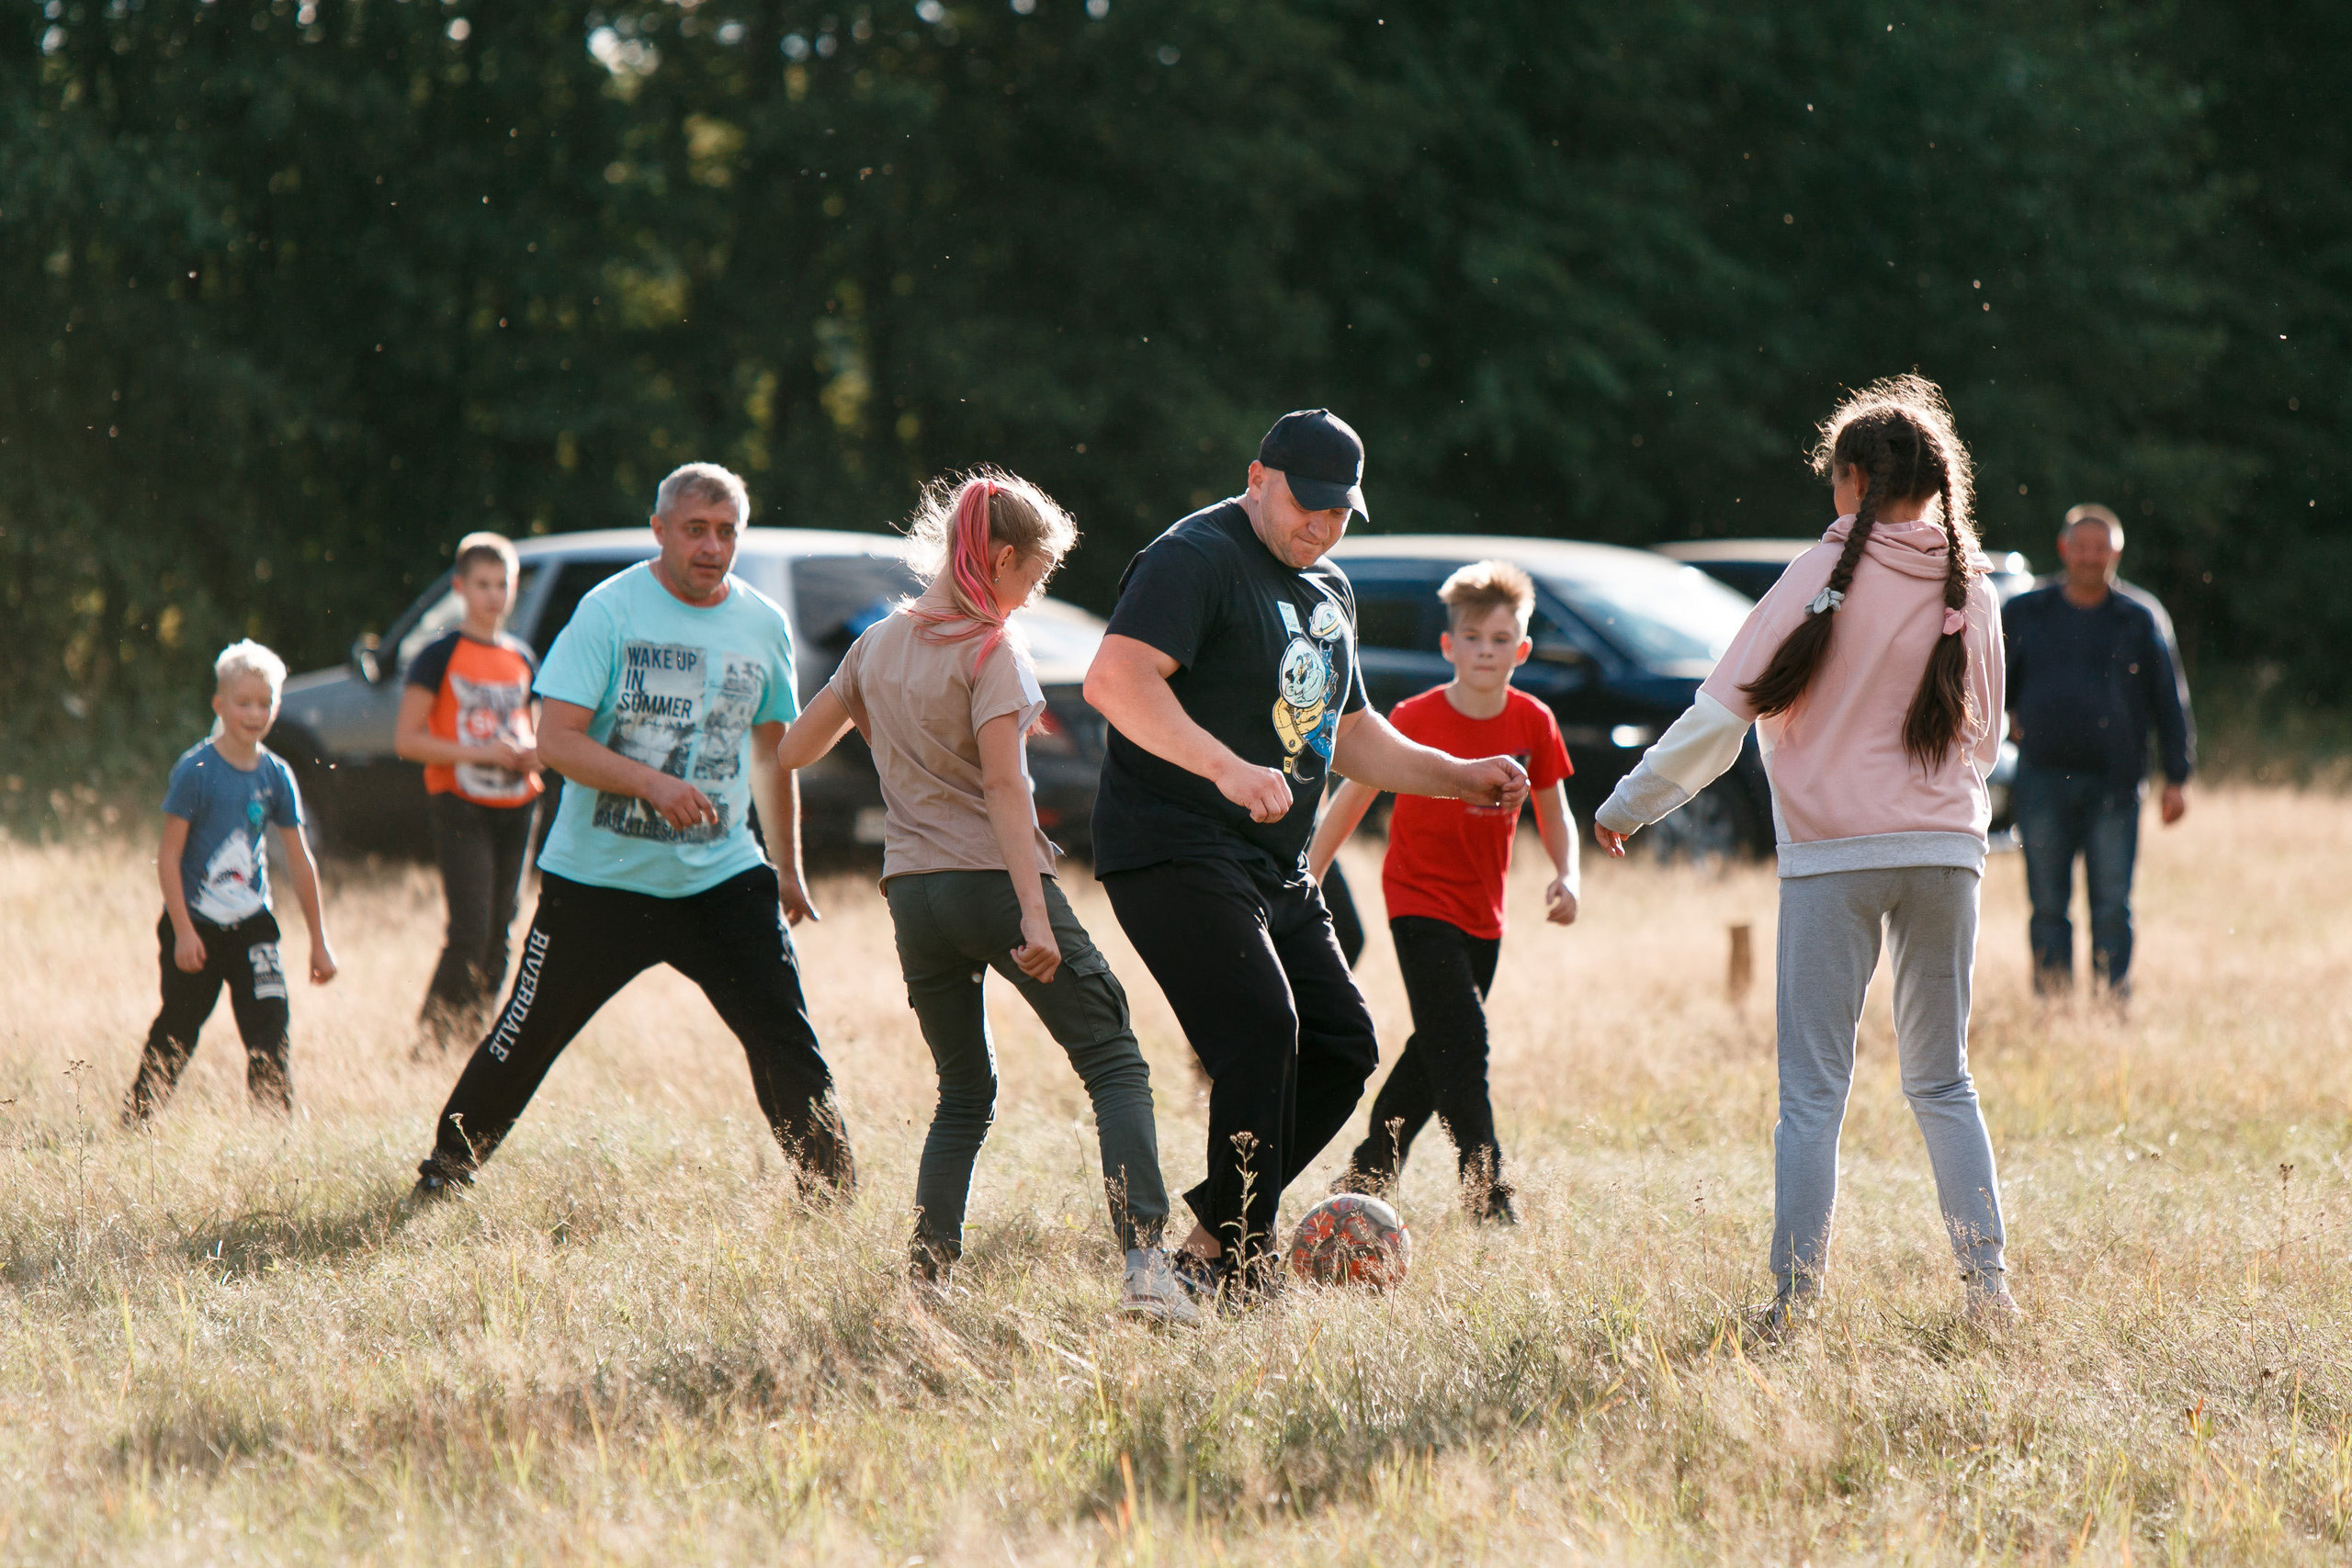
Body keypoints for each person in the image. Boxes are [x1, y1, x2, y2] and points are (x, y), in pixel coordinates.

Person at [1592, 375, 2018, 1333]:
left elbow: (1718, 717)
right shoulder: (1971, 586)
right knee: (1941, 1076)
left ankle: (1793, 1304)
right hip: (1949, 851)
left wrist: (1629, 805)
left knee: (1813, 1092)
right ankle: (1989, 1288)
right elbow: (1984, 740)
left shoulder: (1815, 575)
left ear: (1853, 479)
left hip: (1835, 857)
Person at [1083, 409, 1530, 1300]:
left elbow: (1352, 734)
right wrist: (1226, 767)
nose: (1320, 526)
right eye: (1305, 505)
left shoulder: (1328, 588)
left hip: (1274, 868)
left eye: (1338, 513)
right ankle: (1245, 1276)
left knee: (1342, 1047)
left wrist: (1460, 775)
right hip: (1174, 847)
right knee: (1261, 1030)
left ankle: (1205, 1248)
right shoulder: (1193, 557)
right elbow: (1114, 679)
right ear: (1257, 478)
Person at [777, 469, 1195, 1322]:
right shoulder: (990, 649)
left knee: (963, 1092)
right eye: (1033, 577)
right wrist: (1035, 912)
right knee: (1114, 1060)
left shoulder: (876, 644)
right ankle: (1149, 1268)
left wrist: (878, 709)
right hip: (994, 888)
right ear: (1000, 556)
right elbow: (1009, 791)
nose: (1033, 596)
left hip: (913, 898)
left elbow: (792, 749)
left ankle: (927, 1280)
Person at [412, 462, 854, 1201]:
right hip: (598, 879)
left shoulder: (761, 623)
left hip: (721, 875)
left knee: (786, 1038)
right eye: (695, 530)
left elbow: (772, 750)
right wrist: (650, 782)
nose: (711, 546)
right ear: (660, 530)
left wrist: (786, 866)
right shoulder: (608, 612)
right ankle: (447, 1170)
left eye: (726, 532)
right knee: (525, 1034)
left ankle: (831, 1193)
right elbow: (555, 738)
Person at [1306, 559, 1579, 1224]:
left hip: (1484, 915)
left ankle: (1366, 1174)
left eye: (1500, 638)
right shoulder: (1412, 716)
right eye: (1473, 636)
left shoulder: (1534, 721)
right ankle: (1488, 1193)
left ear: (1522, 649)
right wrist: (1308, 874)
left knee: (1435, 1049)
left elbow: (1554, 809)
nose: (1486, 650)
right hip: (1416, 899)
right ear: (1448, 645)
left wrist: (1567, 871)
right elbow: (1351, 798)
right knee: (1464, 1039)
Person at [123, 640, 338, 1122]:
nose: (255, 712)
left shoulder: (277, 775)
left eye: (265, 703)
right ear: (220, 705)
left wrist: (319, 942)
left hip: (252, 924)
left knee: (270, 1027)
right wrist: (182, 930)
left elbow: (300, 860)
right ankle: (136, 1120)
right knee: (178, 1028)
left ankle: (272, 1133)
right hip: (195, 925)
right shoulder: (195, 771)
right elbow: (169, 855)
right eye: (244, 702)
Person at [2000, 503, 2195, 1000]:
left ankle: (2112, 1005)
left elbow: (2171, 703)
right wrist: (2007, 722)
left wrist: (2178, 777)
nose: (2090, 558)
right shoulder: (2025, 612)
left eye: (2100, 548)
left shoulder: (2140, 618)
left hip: (2116, 784)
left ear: (2117, 552)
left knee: (2112, 906)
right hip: (2041, 779)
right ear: (2064, 549)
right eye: (2081, 547)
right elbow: (1989, 688)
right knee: (2047, 905)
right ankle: (2054, 1008)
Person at [396, 532, 544, 1052]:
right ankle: (431, 1044)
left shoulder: (522, 657)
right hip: (460, 804)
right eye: (482, 584)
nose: (493, 596)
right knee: (470, 929)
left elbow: (536, 731)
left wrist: (533, 753)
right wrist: (482, 753)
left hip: (519, 804)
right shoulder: (436, 656)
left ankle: (475, 1039)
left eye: (502, 585)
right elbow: (408, 740)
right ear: (459, 586)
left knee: (503, 931)